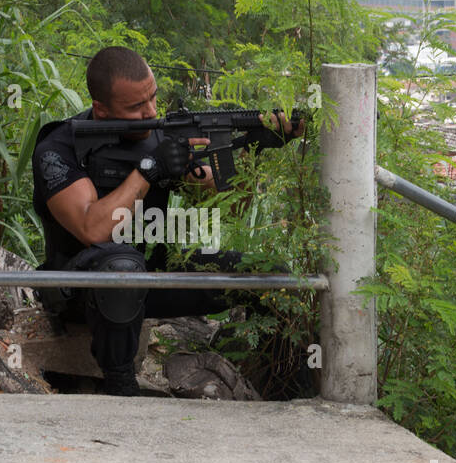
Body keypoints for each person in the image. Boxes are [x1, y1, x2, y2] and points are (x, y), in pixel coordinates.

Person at [31, 46, 301, 395]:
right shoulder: (59, 148)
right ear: (102, 109)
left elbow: (226, 204)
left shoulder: (158, 135)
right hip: (79, 290)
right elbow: (92, 229)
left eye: (153, 99)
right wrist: (149, 169)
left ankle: (280, 386)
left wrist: (254, 147)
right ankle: (121, 389)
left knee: (271, 276)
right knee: (122, 265)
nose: (151, 112)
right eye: (135, 108)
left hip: (153, 277)